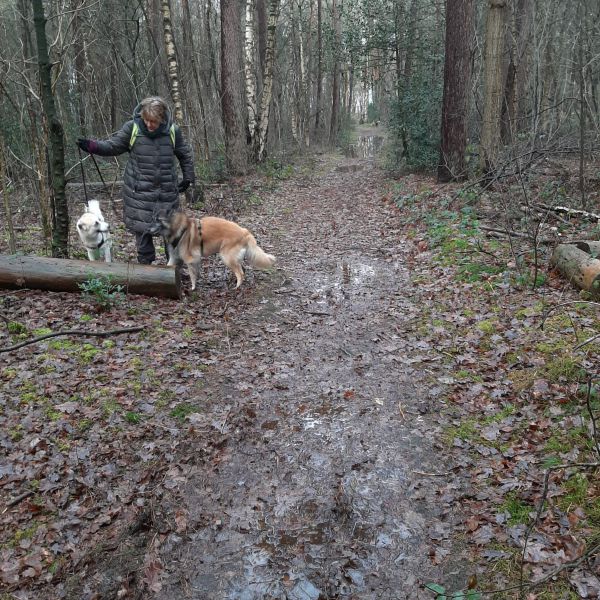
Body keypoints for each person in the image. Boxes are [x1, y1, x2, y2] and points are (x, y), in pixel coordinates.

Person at [77, 96, 195, 264]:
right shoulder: (132, 128)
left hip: (167, 193)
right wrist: (92, 146)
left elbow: (185, 154)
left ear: (162, 119)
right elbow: (113, 146)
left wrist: (188, 177)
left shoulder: (173, 131)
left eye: (153, 121)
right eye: (146, 120)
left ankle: (174, 275)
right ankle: (146, 276)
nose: (149, 124)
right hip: (138, 195)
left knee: (172, 236)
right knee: (142, 237)